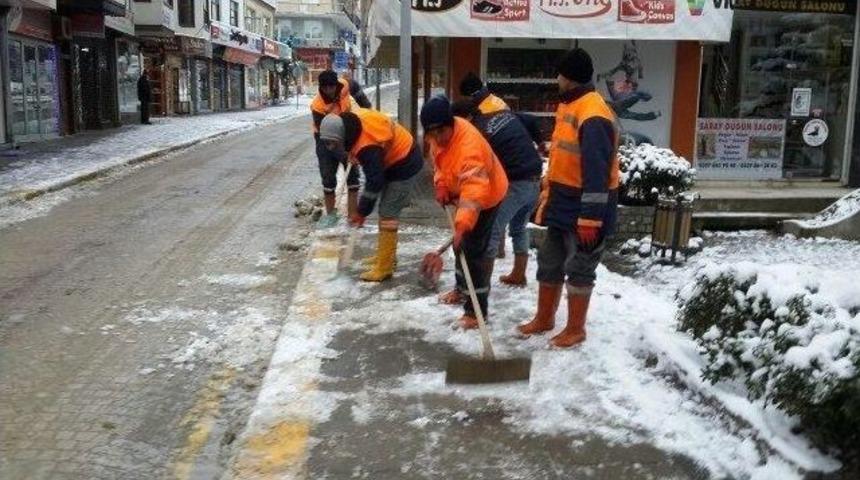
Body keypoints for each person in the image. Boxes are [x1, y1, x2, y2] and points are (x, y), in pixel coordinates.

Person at [518, 48, 620, 349]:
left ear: (569, 77)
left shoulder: (593, 114)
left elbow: (597, 173)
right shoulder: (571, 104)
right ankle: (545, 318)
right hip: (563, 203)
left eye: (560, 74)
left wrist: (590, 218)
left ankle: (576, 329)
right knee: (549, 262)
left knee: (580, 267)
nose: (557, 79)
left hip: (586, 207)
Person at [421, 95, 508, 329]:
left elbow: (474, 191)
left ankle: (476, 313)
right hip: (465, 194)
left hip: (487, 197)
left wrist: (463, 226)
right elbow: (439, 165)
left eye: (441, 132)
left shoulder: (469, 147)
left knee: (473, 253)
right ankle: (461, 290)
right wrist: (441, 184)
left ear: (451, 124)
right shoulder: (436, 138)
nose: (437, 138)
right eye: (432, 134)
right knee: (462, 247)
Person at [317, 108, 423, 282]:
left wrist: (361, 212)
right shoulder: (351, 123)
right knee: (385, 210)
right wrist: (351, 153)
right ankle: (386, 257)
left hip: (405, 162)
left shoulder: (367, 147)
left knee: (388, 212)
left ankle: (385, 267)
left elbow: (374, 182)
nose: (331, 148)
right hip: (392, 160)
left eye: (334, 144)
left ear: (342, 135)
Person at [451, 99, 543, 289]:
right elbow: (531, 121)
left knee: (491, 232)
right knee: (519, 228)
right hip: (534, 180)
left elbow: (478, 171)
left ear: (466, 118)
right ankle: (518, 274)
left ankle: (480, 290)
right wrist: (540, 142)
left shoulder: (476, 132)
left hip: (516, 183)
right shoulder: (501, 114)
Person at [311, 70, 364, 227]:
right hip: (325, 139)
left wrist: (366, 106)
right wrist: (343, 154)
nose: (329, 90)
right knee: (328, 177)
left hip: (347, 134)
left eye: (332, 86)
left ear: (337, 85)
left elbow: (357, 91)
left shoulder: (345, 86)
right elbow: (328, 137)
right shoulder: (318, 105)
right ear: (321, 88)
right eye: (325, 87)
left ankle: (352, 215)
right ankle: (331, 216)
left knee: (353, 175)